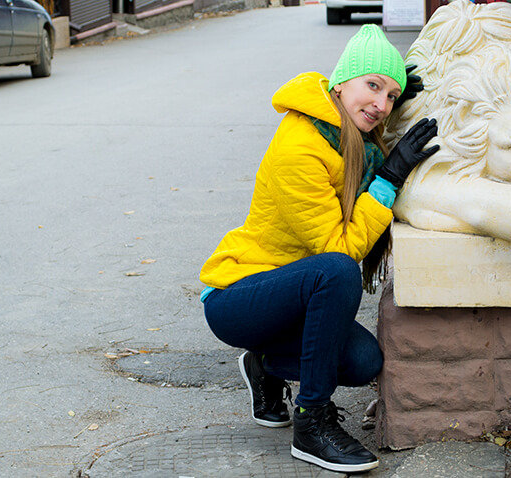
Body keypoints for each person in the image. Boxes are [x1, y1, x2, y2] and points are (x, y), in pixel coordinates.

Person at [199, 24, 439, 474]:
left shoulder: (351, 135)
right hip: (239, 295)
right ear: (340, 82)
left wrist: (389, 98)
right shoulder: (301, 146)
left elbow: (367, 128)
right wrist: (389, 179)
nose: (381, 104)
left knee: (364, 361)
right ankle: (311, 424)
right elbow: (339, 251)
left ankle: (265, 365)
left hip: (291, 297)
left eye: (390, 95)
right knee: (337, 271)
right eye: (372, 86)